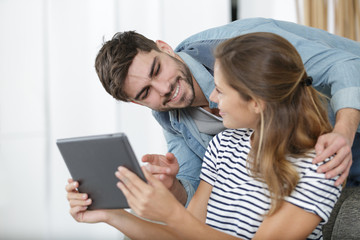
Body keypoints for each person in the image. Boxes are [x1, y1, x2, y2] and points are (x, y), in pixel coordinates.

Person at [67, 32, 342, 239]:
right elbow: (186, 234)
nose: (210, 97)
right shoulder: (224, 145)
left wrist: (170, 213)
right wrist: (110, 214)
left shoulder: (321, 168)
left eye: (220, 90)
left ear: (256, 102)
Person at [94, 18, 359, 207]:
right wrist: (170, 186)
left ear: (164, 48)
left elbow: (344, 66)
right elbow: (197, 187)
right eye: (145, 93)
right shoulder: (169, 117)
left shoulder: (239, 45)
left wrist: (343, 133)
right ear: (137, 104)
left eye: (156, 70)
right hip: (326, 173)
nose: (163, 89)